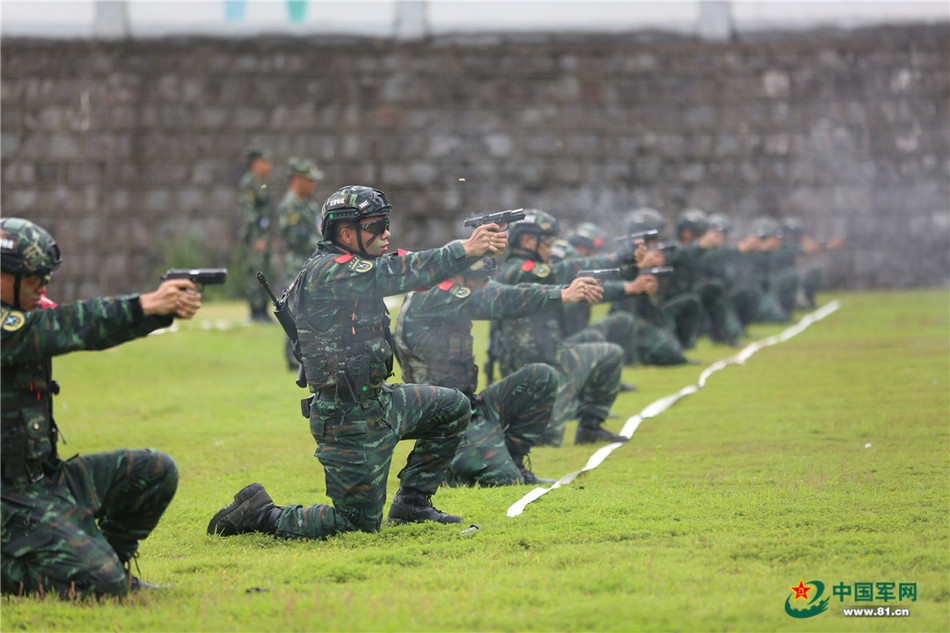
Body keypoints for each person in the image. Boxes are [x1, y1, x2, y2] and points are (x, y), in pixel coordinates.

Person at [207, 185, 507, 540]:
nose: (386, 233)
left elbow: (407, 265)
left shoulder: (356, 265)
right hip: (346, 421)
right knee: (355, 524)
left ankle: (413, 503)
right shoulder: (330, 271)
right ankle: (261, 513)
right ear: (346, 233)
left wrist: (465, 255)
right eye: (376, 226)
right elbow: (398, 272)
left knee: (453, 407)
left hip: (379, 402)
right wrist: (464, 249)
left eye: (386, 224)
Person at [1, 217, 203, 599]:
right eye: (33, 280)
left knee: (154, 471)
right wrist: (146, 305)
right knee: (100, 587)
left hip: (42, 483)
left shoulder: (22, 314)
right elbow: (67, 326)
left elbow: (77, 327)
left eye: (46, 279)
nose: (42, 288)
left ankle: (110, 561)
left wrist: (156, 312)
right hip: (7, 499)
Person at [394, 256, 604, 486]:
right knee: (505, 481)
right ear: (455, 274)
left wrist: (567, 290)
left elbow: (514, 291)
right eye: (477, 281)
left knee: (541, 377)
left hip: (470, 406)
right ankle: (445, 467)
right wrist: (562, 295)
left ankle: (514, 460)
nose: (483, 286)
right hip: (443, 418)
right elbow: (499, 300)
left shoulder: (461, 288)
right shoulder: (434, 295)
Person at [491, 210, 637, 447]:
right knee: (547, 438)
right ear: (528, 241)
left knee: (610, 353)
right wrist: (614, 258)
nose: (551, 248)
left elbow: (567, 281)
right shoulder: (516, 270)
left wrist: (627, 283)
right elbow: (562, 272)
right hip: (530, 371)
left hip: (554, 358)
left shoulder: (536, 270)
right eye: (547, 242)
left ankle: (590, 427)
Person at [276, 157, 324, 369]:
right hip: (298, 263)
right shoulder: (290, 205)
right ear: (297, 179)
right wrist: (324, 244)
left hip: (311, 262)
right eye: (309, 179)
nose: (313, 184)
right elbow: (295, 237)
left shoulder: (308, 204)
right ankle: (294, 356)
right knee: (296, 308)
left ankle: (308, 352)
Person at [238, 147, 275, 323]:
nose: (268, 166)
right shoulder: (249, 183)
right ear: (256, 163)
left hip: (264, 236)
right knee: (255, 271)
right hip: (255, 237)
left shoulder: (263, 183)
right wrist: (256, 238)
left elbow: (267, 214)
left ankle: (263, 309)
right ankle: (255, 311)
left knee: (266, 270)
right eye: (265, 162)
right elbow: (249, 213)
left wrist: (270, 237)